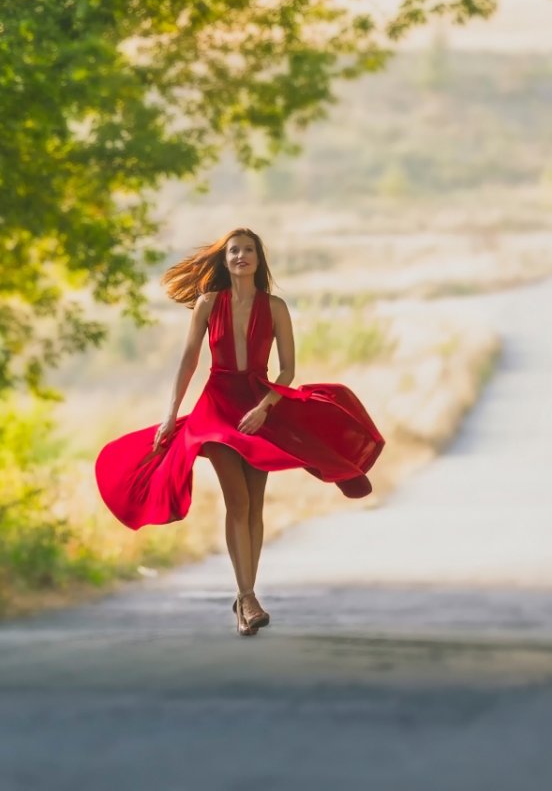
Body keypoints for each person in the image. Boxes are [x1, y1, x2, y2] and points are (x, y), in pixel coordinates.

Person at [94, 228, 385, 636]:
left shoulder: (276, 307)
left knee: (254, 506)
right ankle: (247, 597)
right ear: (225, 259)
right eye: (234, 251)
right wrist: (170, 414)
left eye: (249, 251)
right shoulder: (208, 304)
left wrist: (265, 409)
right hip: (216, 410)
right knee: (238, 502)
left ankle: (245, 598)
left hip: (259, 408)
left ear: (258, 260)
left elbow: (287, 370)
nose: (241, 257)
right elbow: (188, 363)